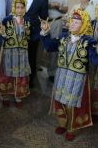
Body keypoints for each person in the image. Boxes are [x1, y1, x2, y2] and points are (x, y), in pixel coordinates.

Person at [40, 9, 98, 141]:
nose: (72, 24)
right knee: (60, 100)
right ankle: (62, 124)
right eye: (72, 21)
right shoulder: (63, 37)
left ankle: (71, 127)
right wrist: (45, 32)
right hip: (61, 76)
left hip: (77, 79)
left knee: (71, 104)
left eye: (77, 22)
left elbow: (95, 61)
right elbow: (49, 47)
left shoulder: (89, 42)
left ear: (84, 24)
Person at [0, 0, 31, 108]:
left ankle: (18, 95)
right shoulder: (7, 20)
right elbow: (2, 37)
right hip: (9, 52)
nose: (19, 10)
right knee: (7, 74)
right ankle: (5, 95)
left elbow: (30, 37)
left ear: (25, 8)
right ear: (14, 8)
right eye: (17, 7)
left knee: (20, 74)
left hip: (22, 53)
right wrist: (2, 34)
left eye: (22, 7)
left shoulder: (28, 21)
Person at [16, 0, 48, 87]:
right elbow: (14, 10)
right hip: (18, 32)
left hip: (33, 34)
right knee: (18, 55)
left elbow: (44, 17)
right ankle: (17, 78)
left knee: (31, 57)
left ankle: (29, 80)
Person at [39, 0, 69, 82]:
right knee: (40, 46)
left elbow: (65, 9)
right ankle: (37, 67)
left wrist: (57, 7)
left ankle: (52, 72)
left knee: (54, 48)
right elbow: (39, 5)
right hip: (44, 22)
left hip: (57, 21)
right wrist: (50, 5)